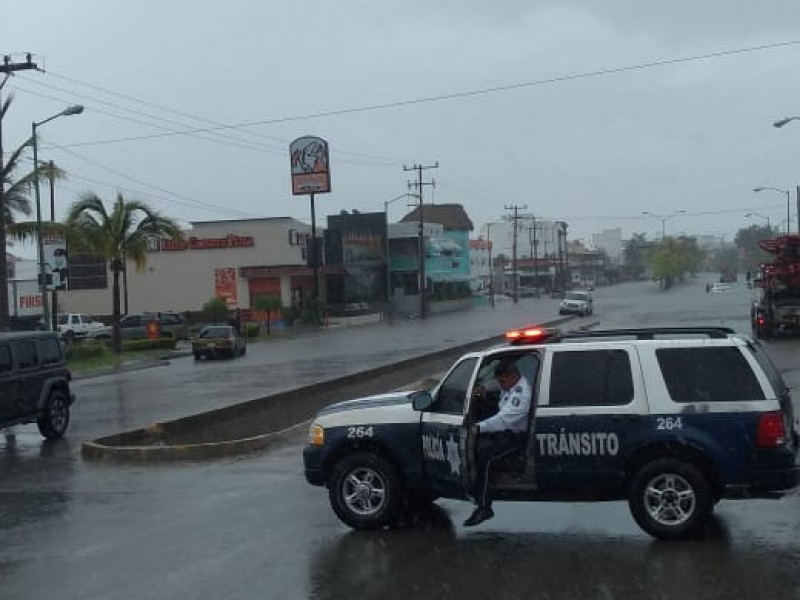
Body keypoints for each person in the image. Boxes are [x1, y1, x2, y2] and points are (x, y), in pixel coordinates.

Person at [463, 359, 533, 527]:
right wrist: (483, 399)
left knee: (487, 458)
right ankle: (478, 494)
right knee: (480, 449)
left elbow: (504, 420)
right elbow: (501, 408)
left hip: (518, 437)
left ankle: (485, 506)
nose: (501, 386)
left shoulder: (521, 394)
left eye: (503, 381)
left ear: (513, 376)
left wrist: (477, 428)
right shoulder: (511, 387)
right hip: (507, 433)